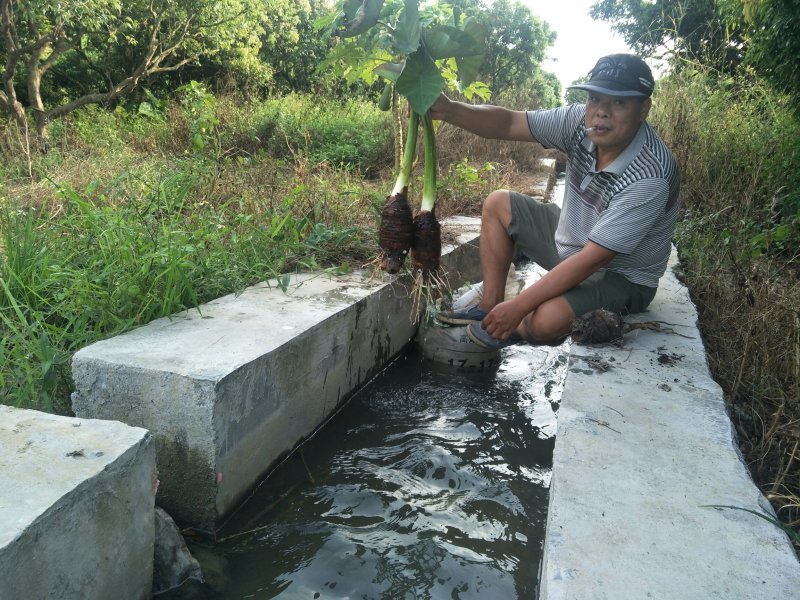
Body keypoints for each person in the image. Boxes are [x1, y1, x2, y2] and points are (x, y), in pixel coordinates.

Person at [433, 54, 680, 350]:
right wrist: (449, 110)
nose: (601, 112)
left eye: (618, 103)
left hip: (621, 275)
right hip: (574, 245)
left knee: (544, 322)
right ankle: (489, 306)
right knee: (499, 204)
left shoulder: (649, 175)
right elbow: (510, 122)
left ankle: (513, 326)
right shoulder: (579, 122)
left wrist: (520, 307)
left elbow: (594, 259)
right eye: (595, 99)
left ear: (643, 109)